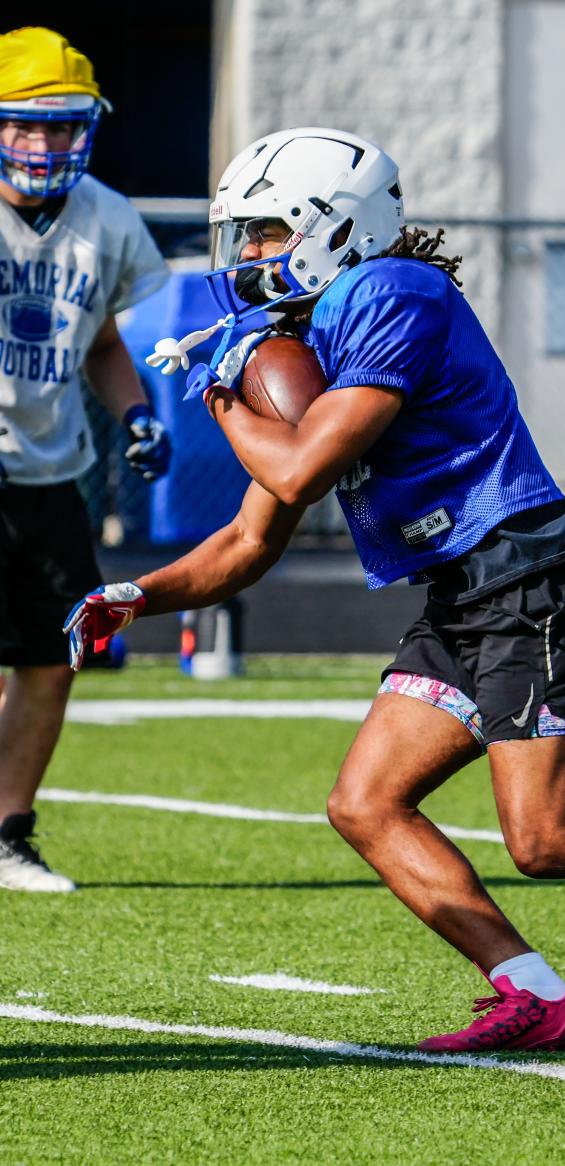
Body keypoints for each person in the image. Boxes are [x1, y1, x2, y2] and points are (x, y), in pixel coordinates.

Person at [64, 127, 565, 1051]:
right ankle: (535, 993)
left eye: (265, 232)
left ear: (332, 227)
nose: (250, 257)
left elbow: (298, 472)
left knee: (546, 840)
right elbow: (250, 539)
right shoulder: (321, 322)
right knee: (366, 804)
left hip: (534, 577)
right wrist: (138, 596)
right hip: (467, 593)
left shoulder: (392, 292)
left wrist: (224, 397)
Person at [0, 27, 171, 892]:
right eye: (25, 126)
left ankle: (6, 833)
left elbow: (104, 342)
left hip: (48, 465)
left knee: (49, 653)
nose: (44, 144)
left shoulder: (105, 216)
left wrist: (137, 414)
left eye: (62, 126)